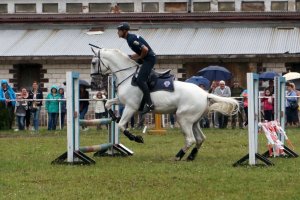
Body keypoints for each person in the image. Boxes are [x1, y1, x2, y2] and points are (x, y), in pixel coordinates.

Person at [117, 22, 156, 114]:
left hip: (149, 59)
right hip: (146, 58)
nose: (117, 32)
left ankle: (149, 104)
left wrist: (140, 57)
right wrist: (129, 57)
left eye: (119, 31)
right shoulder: (129, 39)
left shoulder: (131, 39)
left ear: (125, 31)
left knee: (140, 80)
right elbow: (139, 52)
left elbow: (145, 50)